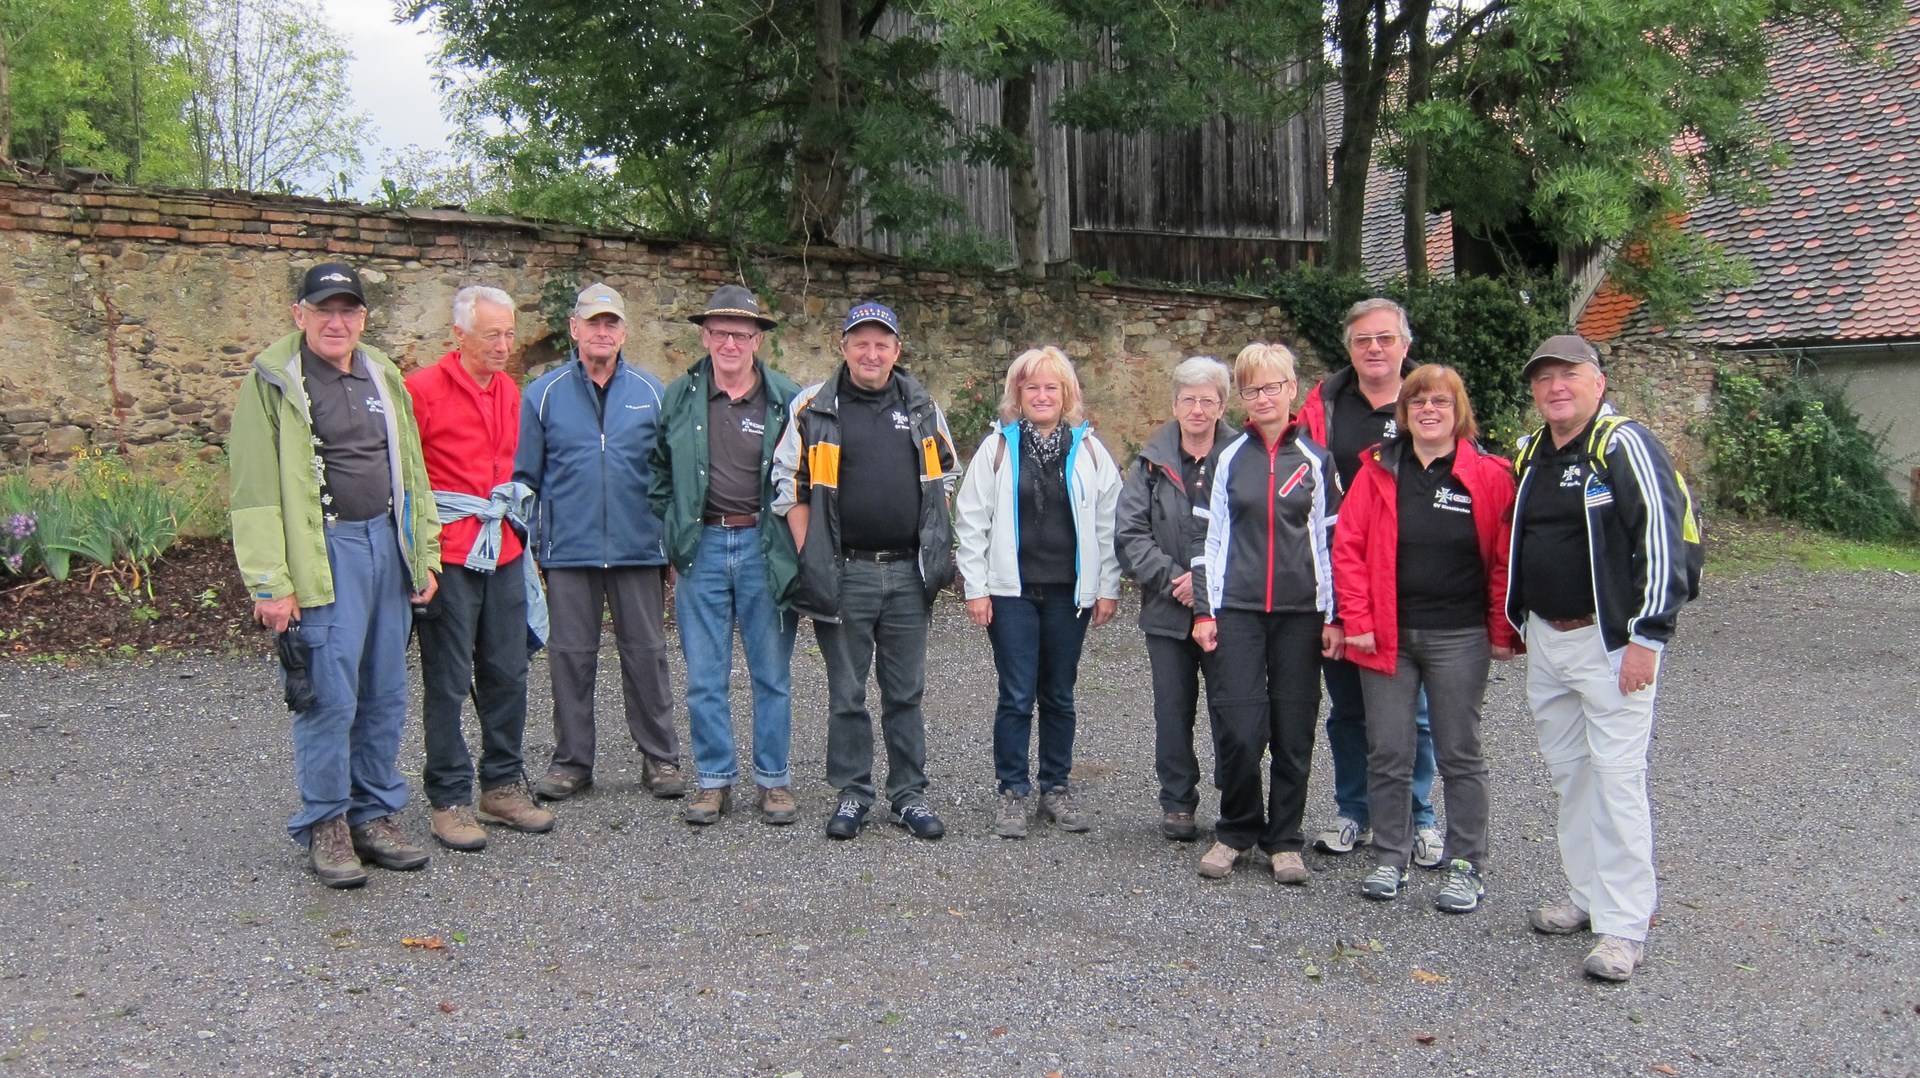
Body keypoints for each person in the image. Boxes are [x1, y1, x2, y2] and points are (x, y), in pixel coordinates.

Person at [228, 261, 441, 888]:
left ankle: (373, 814)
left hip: (385, 545)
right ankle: (326, 821)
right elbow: (254, 492)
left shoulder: (383, 374)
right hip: (323, 555)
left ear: (363, 319)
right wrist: (270, 582)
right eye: (324, 310)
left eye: (348, 310)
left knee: (384, 692)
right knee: (327, 693)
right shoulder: (272, 383)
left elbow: (412, 471)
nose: (337, 321)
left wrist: (421, 551)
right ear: (300, 315)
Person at [1508, 334, 1698, 982]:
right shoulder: (1531, 453)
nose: (1556, 387)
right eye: (1544, 379)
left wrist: (1648, 636)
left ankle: (1623, 926)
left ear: (1598, 380)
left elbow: (1664, 542)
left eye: (1569, 375)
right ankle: (1587, 897)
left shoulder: (1624, 445)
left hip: (1610, 642)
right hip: (1548, 639)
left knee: (1616, 781)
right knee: (1571, 776)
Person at [772, 300, 960, 841]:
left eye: (882, 343)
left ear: (897, 351)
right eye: (861, 341)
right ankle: (853, 792)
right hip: (845, 572)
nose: (871, 352)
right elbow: (789, 486)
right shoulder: (814, 407)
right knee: (847, 692)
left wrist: (933, 548)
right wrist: (816, 554)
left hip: (907, 575)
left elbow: (945, 478)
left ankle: (908, 795)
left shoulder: (922, 405)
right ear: (843, 347)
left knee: (906, 692)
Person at [1332, 365, 1518, 913]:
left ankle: (1466, 865)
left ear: (1458, 411)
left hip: (1459, 637)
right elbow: (1349, 549)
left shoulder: (1490, 475)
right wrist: (1356, 619)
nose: (1429, 410)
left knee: (1460, 752)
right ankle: (1390, 856)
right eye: (1417, 403)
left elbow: (1504, 559)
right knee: (1388, 750)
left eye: (1440, 401)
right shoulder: (1378, 472)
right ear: (1404, 414)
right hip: (1387, 634)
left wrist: (1501, 630)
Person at [515, 282, 685, 803]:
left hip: (639, 550)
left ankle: (660, 759)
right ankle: (571, 763)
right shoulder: (541, 395)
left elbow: (670, 476)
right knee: (569, 657)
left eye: (611, 323)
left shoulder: (654, 393)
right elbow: (527, 478)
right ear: (575, 329)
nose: (603, 331)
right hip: (569, 551)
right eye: (594, 322)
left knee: (647, 655)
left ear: (624, 332)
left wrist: (671, 545)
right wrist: (535, 550)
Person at [404, 285, 554, 852]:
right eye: (491, 333)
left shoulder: (510, 390)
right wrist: (419, 557)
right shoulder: (421, 391)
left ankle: (501, 785)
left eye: (510, 333)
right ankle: (447, 798)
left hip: (504, 547)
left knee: (508, 670)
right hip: (448, 552)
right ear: (458, 335)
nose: (503, 344)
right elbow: (407, 480)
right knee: (446, 679)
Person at [648, 285, 803, 826]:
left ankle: (773, 780)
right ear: (704, 336)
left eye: (741, 332)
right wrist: (674, 529)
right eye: (719, 332)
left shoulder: (789, 399)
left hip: (766, 546)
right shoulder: (680, 397)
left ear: (758, 338)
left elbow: (807, 477)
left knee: (771, 673)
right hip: (704, 546)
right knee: (704, 676)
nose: (730, 342)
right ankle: (714, 780)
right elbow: (659, 471)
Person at [1296, 297, 1442, 865]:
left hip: (1411, 581)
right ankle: (1354, 810)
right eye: (1363, 341)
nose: (1374, 349)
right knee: (1349, 707)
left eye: (1385, 339)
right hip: (1338, 579)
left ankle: (1418, 816)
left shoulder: (1428, 402)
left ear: (1405, 345)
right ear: (1349, 348)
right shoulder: (1325, 408)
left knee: (1417, 711)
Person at [954, 347, 1122, 839]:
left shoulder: (1089, 451)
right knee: (1016, 694)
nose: (1042, 395)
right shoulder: (998, 449)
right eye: (1033, 388)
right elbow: (971, 519)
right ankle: (1012, 790)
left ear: (1066, 394)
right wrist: (975, 588)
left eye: (1052, 387)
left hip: (1070, 594)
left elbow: (1110, 522)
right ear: (1018, 396)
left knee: (1059, 694)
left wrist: (1107, 586)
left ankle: (1056, 786)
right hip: (1011, 594)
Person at [1190, 343, 1341, 884]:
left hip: (1302, 615)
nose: (1263, 397)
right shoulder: (1227, 458)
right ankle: (1236, 830)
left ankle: (1284, 839)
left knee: (1294, 730)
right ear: (1243, 399)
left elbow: (1330, 543)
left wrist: (1334, 615)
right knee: (1240, 728)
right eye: (1252, 389)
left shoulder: (1316, 461)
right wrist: (1206, 611)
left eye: (1272, 386)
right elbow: (1205, 540)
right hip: (1238, 613)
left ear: (1292, 390)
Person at [1115, 355, 1235, 841]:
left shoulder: (1242, 456)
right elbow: (1130, 534)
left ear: (1223, 405)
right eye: (1190, 400)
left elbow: (1252, 532)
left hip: (1229, 611)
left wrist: (1206, 585)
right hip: (1167, 609)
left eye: (1209, 400)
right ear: (1175, 404)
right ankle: (1178, 802)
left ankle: (1237, 800)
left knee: (1233, 710)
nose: (1199, 409)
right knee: (1173, 710)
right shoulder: (1149, 462)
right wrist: (1176, 580)